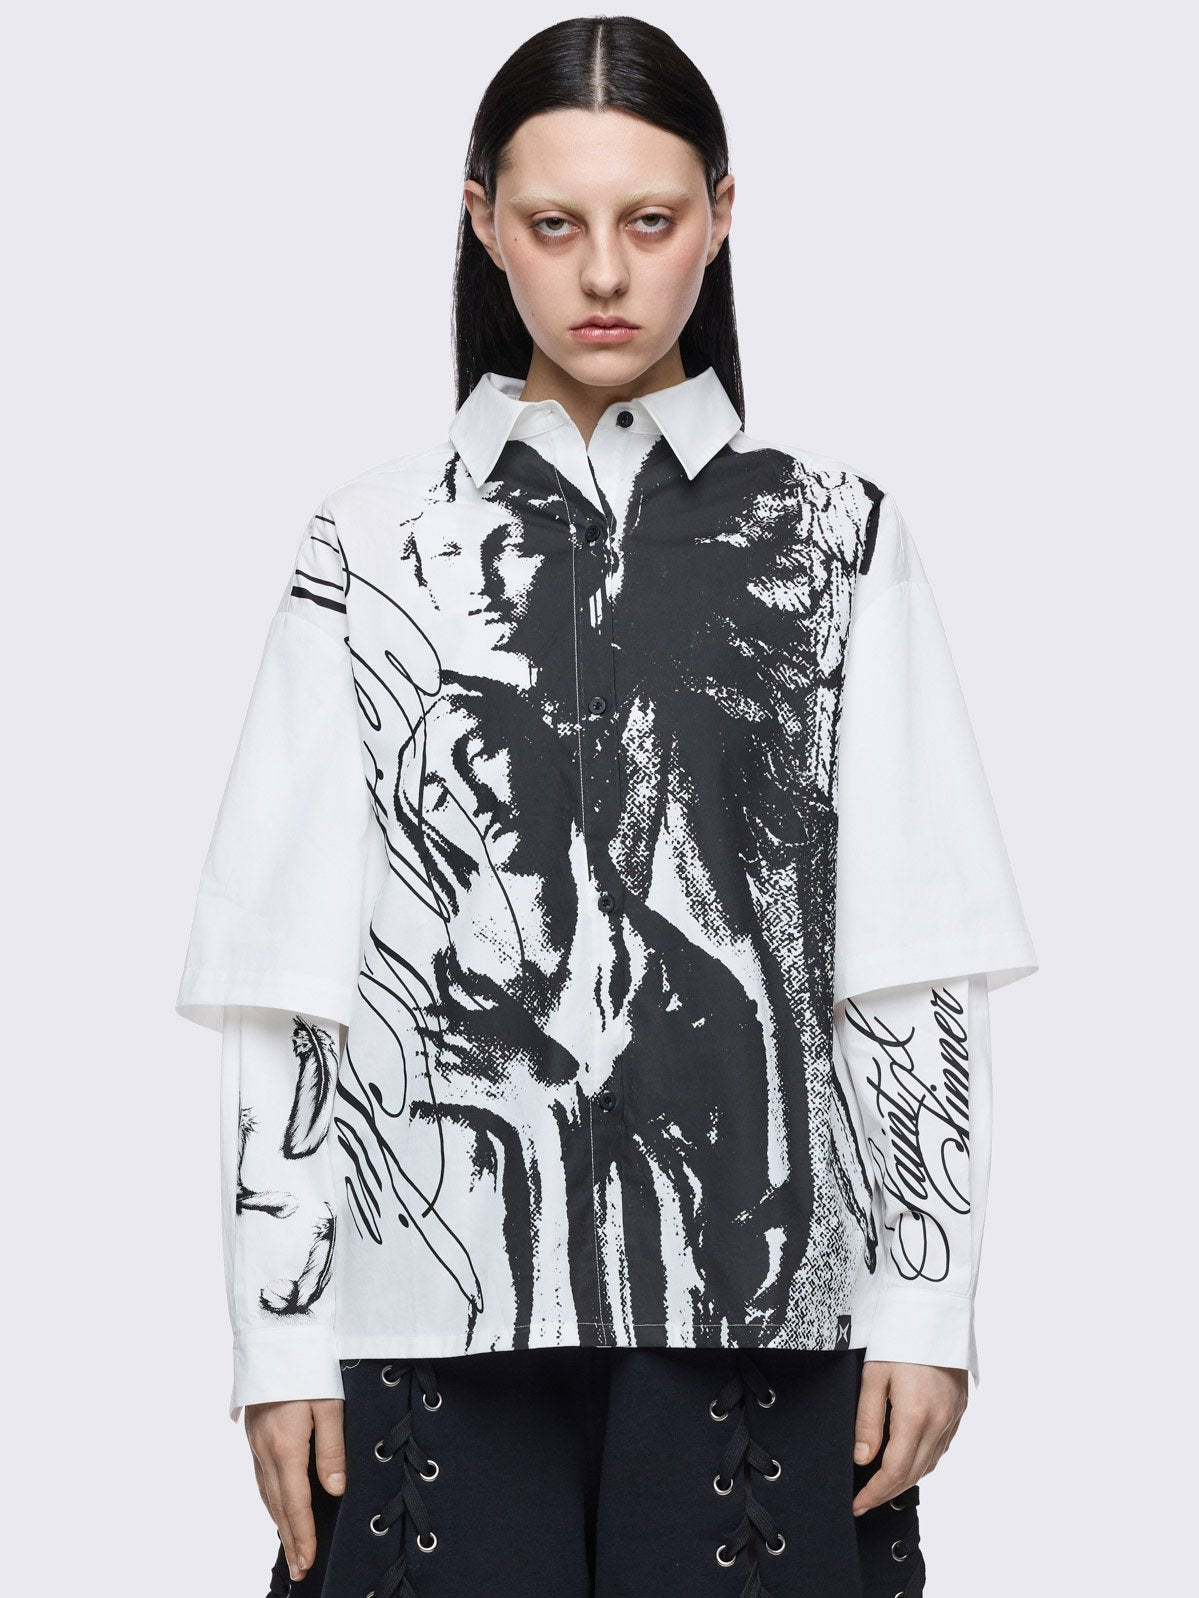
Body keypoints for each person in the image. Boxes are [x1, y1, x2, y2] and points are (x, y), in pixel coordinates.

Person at [174, 16, 1038, 1598]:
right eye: (554, 222)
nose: (605, 274)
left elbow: (913, 958)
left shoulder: (837, 534)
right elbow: (280, 979)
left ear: (721, 212)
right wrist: (275, 1331)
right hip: (427, 1304)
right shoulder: (366, 545)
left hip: (764, 1307)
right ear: (483, 220)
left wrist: (930, 1303)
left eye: (649, 219)